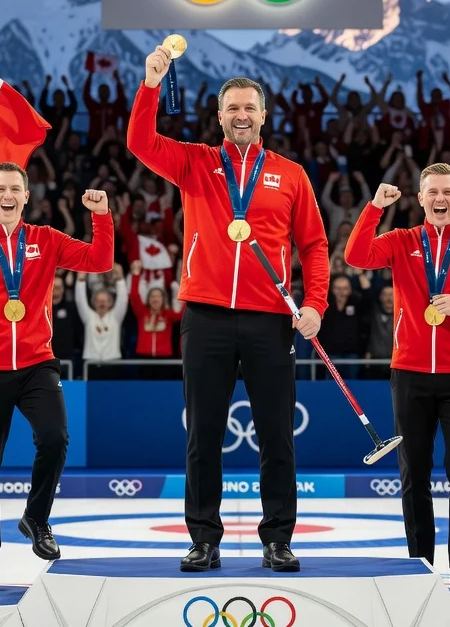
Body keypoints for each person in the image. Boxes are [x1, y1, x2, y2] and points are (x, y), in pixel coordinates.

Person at [126, 46, 329, 573]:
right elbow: (139, 142)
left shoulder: (290, 175)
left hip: (269, 319)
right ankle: (204, 539)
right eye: (232, 108)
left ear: (264, 115)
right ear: (219, 116)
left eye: (250, 108)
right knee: (204, 436)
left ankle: (278, 539)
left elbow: (314, 247)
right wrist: (150, 85)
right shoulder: (195, 162)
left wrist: (314, 304)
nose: (241, 116)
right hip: (207, 316)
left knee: (277, 437)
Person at [0, 163, 113, 591]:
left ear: (26, 197)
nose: (8, 195)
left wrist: (101, 216)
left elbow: (99, 259)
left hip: (36, 363)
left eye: (16, 189)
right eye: (0, 189)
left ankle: (36, 517)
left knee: (54, 438)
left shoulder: (45, 240)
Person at [343, 163, 450, 598]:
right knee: (413, 473)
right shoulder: (402, 242)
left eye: (448, 193)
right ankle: (420, 564)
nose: (440, 199)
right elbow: (356, 256)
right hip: (410, 373)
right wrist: (374, 208)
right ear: (420, 199)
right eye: (432, 192)